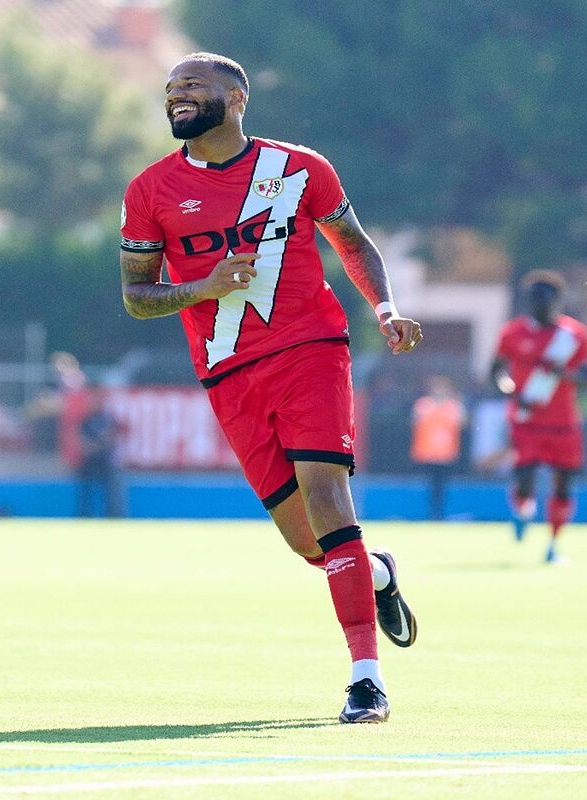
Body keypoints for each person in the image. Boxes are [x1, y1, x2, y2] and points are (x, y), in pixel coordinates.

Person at [119, 53, 423, 723]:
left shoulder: (299, 169)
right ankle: (375, 574)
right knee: (305, 540)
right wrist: (203, 287)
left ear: (235, 98)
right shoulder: (149, 190)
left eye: (192, 85)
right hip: (227, 371)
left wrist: (383, 308)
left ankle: (365, 680)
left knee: (326, 494)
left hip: (310, 347)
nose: (176, 96)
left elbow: (353, 243)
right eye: (171, 89)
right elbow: (137, 297)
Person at [490, 270, 587, 563]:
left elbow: (584, 376)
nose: (539, 304)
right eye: (534, 299)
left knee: (563, 484)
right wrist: (510, 390)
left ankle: (553, 546)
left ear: (557, 300)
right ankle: (523, 511)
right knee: (525, 479)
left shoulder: (574, 335)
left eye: (545, 299)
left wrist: (566, 375)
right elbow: (495, 372)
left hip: (563, 423)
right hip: (526, 419)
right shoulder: (512, 333)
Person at [410, 375, 466, 520]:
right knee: (429, 484)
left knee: (442, 485)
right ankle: (430, 513)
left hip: (446, 453)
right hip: (427, 452)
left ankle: (439, 513)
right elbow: (415, 421)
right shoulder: (423, 405)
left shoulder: (453, 406)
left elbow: (463, 422)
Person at [75, 394, 123, 517]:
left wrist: (98, 445)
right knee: (85, 492)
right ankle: (84, 516)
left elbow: (113, 441)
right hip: (89, 462)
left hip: (104, 462)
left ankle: (113, 517)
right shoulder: (86, 421)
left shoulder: (108, 420)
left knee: (112, 491)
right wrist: (100, 444)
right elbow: (84, 445)